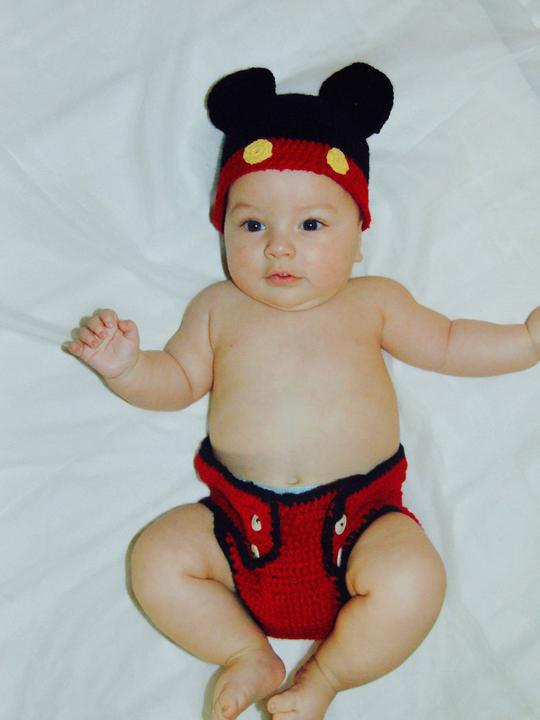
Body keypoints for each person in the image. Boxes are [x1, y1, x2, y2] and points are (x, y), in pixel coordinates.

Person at [66, 63, 540, 720]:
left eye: (311, 225)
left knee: (415, 581)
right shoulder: (217, 309)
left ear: (359, 236)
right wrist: (125, 368)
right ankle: (245, 652)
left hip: (361, 527)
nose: (278, 249)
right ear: (223, 228)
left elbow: (451, 342)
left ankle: (326, 675)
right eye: (252, 225)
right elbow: (175, 381)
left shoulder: (373, 302)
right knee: (155, 558)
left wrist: (526, 341)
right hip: (238, 529)